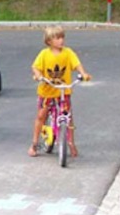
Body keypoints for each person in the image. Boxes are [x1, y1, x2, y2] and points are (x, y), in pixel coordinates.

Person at [29, 26, 91, 158]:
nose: (61, 40)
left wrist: (83, 73)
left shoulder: (68, 53)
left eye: (62, 37)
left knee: (68, 118)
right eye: (57, 38)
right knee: (41, 116)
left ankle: (71, 143)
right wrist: (39, 76)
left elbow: (76, 64)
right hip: (47, 92)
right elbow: (35, 67)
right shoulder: (44, 54)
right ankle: (34, 144)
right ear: (49, 41)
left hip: (63, 92)